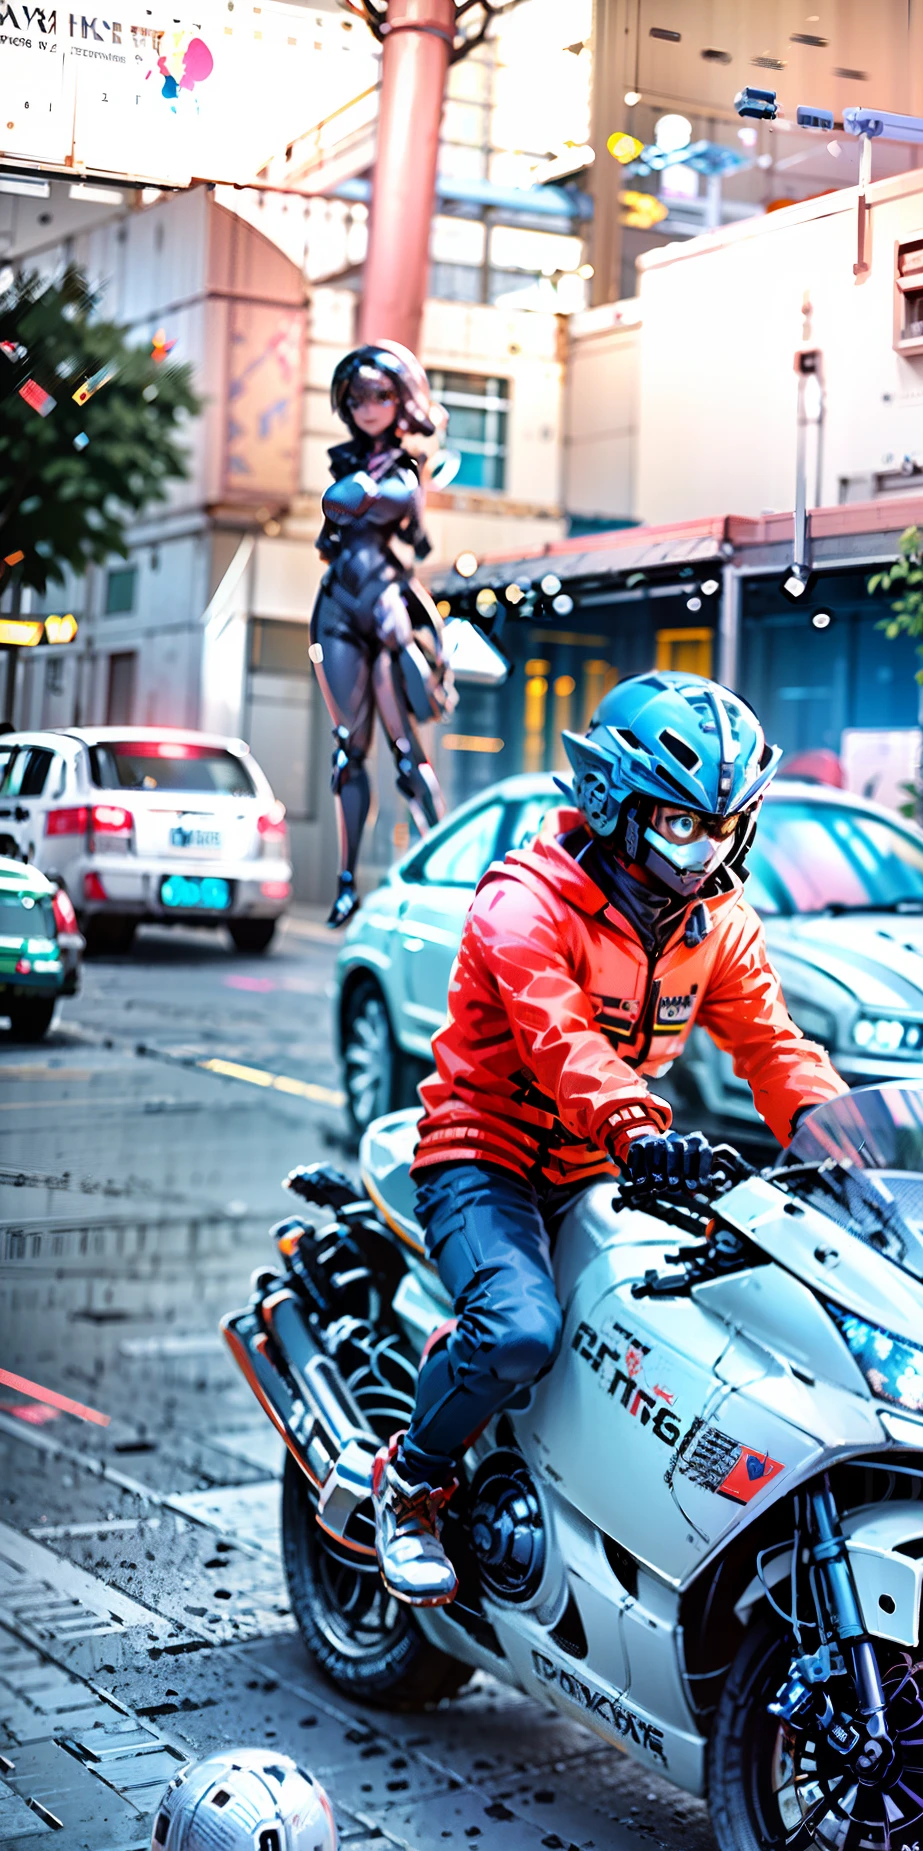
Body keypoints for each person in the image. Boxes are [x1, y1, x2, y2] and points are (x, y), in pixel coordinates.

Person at [371, 672, 848, 1604]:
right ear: (614, 806)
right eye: (680, 824)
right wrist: (635, 1126)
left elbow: (775, 1047)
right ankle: (411, 1484)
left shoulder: (717, 928)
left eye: (724, 827)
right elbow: (562, 1041)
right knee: (518, 1332)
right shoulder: (526, 903)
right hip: (485, 1156)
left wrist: (850, 1150)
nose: (705, 850)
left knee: (684, 1339)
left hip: (607, 1169)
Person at [311, 340, 451, 929]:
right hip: (339, 605)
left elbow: (401, 508)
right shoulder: (346, 463)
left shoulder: (402, 471)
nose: (369, 406)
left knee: (405, 749)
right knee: (350, 749)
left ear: (403, 401)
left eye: (382, 395)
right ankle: (347, 882)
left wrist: (366, 495)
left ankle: (440, 870)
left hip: (386, 604)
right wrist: (352, 498)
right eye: (359, 396)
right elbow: (334, 520)